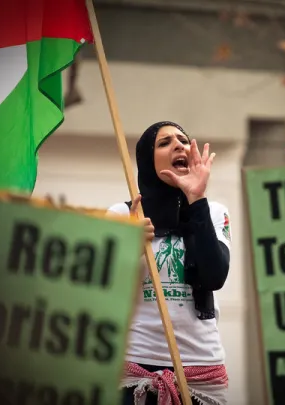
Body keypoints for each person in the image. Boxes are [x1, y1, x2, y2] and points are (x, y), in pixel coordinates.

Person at [108, 121, 231, 405]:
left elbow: (214, 276)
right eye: (164, 143)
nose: (179, 145)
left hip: (201, 372)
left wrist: (196, 199)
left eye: (183, 140)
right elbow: (101, 287)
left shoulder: (214, 212)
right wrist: (128, 248)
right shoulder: (123, 215)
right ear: (147, 162)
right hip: (136, 370)